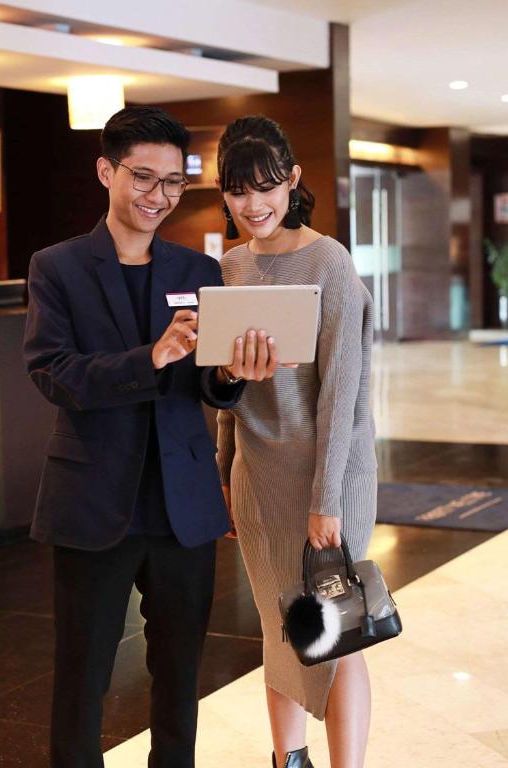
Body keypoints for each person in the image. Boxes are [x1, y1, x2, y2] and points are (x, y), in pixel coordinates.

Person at [23, 105, 280, 768]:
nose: (158, 196)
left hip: (182, 504)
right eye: (144, 178)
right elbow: (53, 373)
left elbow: (210, 389)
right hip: (93, 500)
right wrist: (150, 358)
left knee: (180, 678)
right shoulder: (58, 267)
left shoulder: (195, 269)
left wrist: (231, 375)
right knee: (82, 679)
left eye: (173, 183)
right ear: (106, 171)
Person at [215, 115, 377, 768]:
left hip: (329, 477)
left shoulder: (329, 261)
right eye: (237, 191)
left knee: (338, 633)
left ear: (293, 182)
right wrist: (225, 474)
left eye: (266, 187)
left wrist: (326, 499)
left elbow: (343, 392)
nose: (253, 205)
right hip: (260, 480)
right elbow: (226, 388)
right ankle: (288, 760)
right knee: (281, 632)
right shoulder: (229, 265)